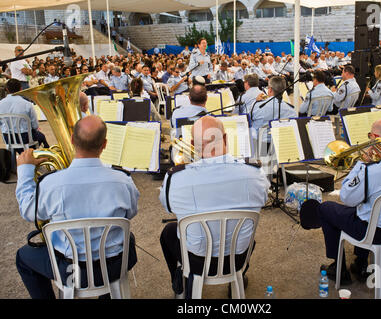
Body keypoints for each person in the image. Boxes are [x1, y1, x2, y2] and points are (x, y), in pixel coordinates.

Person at [15, 115, 140, 299]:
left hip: (69, 271)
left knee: (23, 257)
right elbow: (130, 213)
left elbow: (28, 212)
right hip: (113, 268)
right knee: (127, 238)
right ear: (104, 144)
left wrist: (25, 172)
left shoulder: (51, 183)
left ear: (72, 140)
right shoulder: (123, 180)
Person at [300, 118, 381, 284]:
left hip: (374, 233)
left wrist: (361, 165)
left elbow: (346, 197)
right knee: (367, 208)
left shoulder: (370, 169)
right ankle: (360, 263)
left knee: (326, 208)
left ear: (374, 137)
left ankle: (339, 269)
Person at [159, 115, 270, 297]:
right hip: (237, 258)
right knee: (247, 232)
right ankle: (237, 277)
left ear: (193, 143)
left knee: (169, 231)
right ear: (225, 138)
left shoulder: (176, 178)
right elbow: (263, 199)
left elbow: (168, 207)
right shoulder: (255, 173)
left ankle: (181, 280)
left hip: (196, 262)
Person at [0, 79, 49, 149]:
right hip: (26, 139)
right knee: (41, 136)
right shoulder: (27, 104)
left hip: (8, 139)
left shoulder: (0, 103)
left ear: (7, 89)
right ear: (21, 88)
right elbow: (35, 125)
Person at [250, 76, 297, 148]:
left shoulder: (257, 106)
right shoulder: (292, 111)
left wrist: (255, 102)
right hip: (282, 147)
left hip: (261, 147)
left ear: (270, 90)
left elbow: (248, 120)